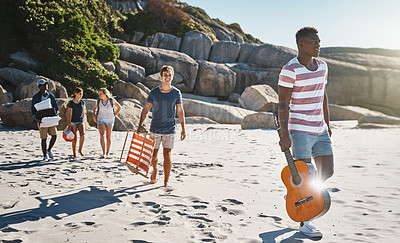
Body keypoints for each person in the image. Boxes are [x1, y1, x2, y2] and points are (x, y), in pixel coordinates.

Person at [277, 27, 334, 238]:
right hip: (299, 128)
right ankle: (305, 221)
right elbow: (283, 103)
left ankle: (296, 194)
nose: (318, 45)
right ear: (301, 44)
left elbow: (323, 95)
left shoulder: (323, 66)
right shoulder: (289, 69)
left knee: (327, 170)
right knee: (305, 174)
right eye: (313, 42)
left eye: (319, 41)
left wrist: (327, 122)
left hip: (319, 128)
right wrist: (285, 134)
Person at [137, 65, 186, 187]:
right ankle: (154, 170)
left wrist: (183, 129)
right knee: (153, 155)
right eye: (165, 75)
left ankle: (166, 181)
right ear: (161, 76)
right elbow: (146, 109)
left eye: (169, 75)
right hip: (155, 128)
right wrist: (140, 124)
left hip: (170, 129)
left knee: (167, 154)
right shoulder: (154, 92)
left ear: (172, 76)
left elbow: (180, 111)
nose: (167, 77)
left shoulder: (176, 93)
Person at [31, 79, 59, 161]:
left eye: (46, 84)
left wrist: (57, 113)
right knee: (44, 138)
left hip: (50, 119)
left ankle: (49, 150)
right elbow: (33, 109)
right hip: (41, 120)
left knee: (54, 135)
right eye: (43, 85)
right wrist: (36, 118)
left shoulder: (51, 96)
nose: (45, 86)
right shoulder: (36, 97)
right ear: (39, 87)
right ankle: (44, 155)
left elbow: (55, 107)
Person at [93, 88, 121, 158]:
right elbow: (94, 108)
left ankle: (107, 152)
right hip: (100, 119)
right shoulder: (98, 101)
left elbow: (119, 107)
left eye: (101, 94)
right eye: (99, 94)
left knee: (108, 137)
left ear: (105, 94)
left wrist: (114, 115)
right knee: (102, 135)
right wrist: (94, 116)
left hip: (110, 120)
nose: (99, 95)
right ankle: (103, 153)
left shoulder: (111, 100)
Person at [67, 87, 86, 158]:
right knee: (74, 138)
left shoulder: (82, 102)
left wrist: (85, 122)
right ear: (76, 93)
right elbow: (70, 114)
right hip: (73, 122)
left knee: (82, 135)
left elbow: (83, 113)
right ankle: (74, 153)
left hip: (81, 120)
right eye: (79, 94)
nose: (81, 95)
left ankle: (80, 150)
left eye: (82, 94)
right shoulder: (71, 103)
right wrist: (69, 125)